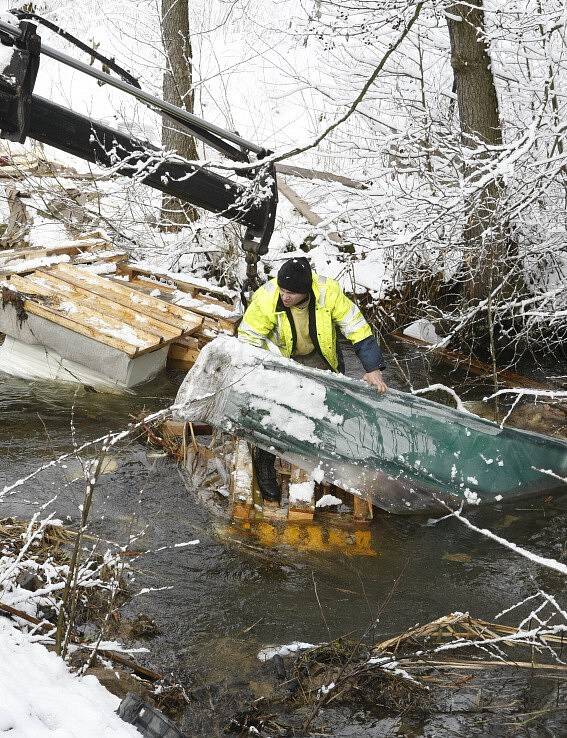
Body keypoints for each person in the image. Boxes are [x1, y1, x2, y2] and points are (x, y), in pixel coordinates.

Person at [238, 256, 387, 505]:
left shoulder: (329, 292)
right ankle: (265, 464)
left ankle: (322, 465)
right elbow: (249, 338)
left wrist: (372, 367)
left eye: (291, 293)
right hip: (280, 357)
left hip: (319, 356)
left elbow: (357, 328)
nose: (285, 297)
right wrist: (258, 372)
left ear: (306, 290)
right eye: (282, 290)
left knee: (326, 409)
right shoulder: (266, 297)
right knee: (273, 413)